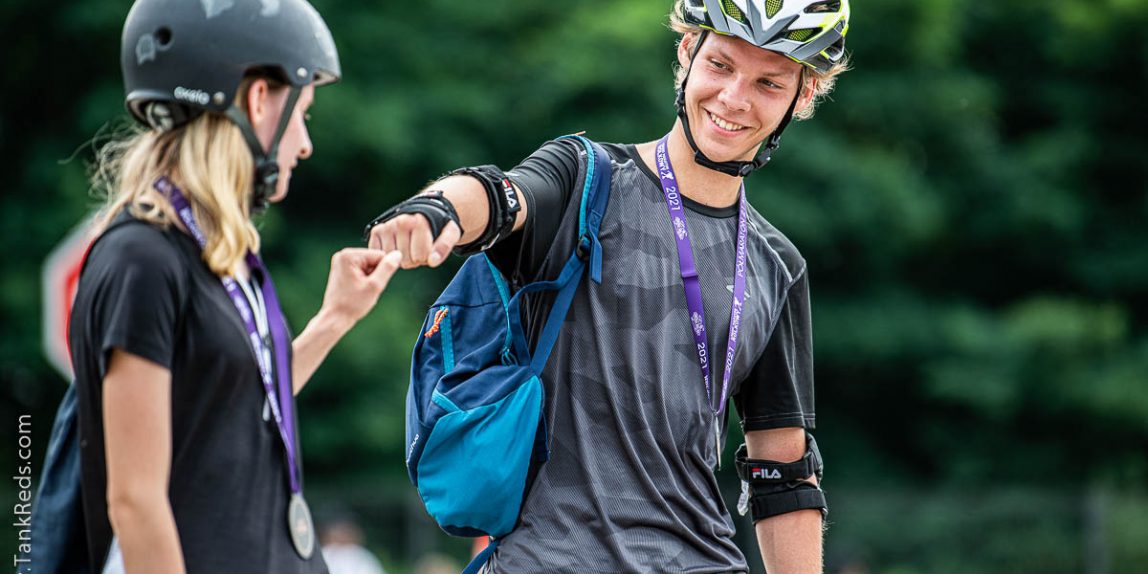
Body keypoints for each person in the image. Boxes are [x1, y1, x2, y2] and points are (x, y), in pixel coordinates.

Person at [365, 0, 849, 572]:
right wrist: (434, 211)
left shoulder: (776, 266)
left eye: (769, 82)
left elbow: (783, 475)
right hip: (549, 560)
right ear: (687, 53)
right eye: (720, 65)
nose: (735, 98)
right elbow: (499, 198)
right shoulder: (585, 179)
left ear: (805, 95)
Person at [69, 0, 401, 572]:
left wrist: (334, 320)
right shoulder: (143, 260)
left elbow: (239, 409)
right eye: (303, 114)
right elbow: (135, 501)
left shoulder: (222, 256)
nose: (304, 144)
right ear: (257, 100)